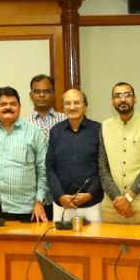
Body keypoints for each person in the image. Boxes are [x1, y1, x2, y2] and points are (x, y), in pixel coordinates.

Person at [0, 87, 48, 222]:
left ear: (19, 107)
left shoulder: (34, 133)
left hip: (25, 209)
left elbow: (43, 171)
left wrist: (39, 201)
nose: (8, 107)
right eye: (3, 104)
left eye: (13, 104)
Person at [98, 82, 140, 225]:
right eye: (117, 96)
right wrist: (117, 199)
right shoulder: (105, 126)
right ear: (112, 101)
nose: (123, 99)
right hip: (112, 207)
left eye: (127, 95)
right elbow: (102, 167)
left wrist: (129, 197)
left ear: (135, 99)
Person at [47, 89, 104, 223]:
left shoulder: (98, 130)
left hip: (92, 204)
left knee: (94, 237)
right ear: (62, 107)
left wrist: (90, 193)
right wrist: (60, 195)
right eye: (68, 103)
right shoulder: (56, 131)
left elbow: (104, 167)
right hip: (62, 204)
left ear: (85, 106)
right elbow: (50, 168)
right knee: (61, 238)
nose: (72, 107)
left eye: (77, 103)